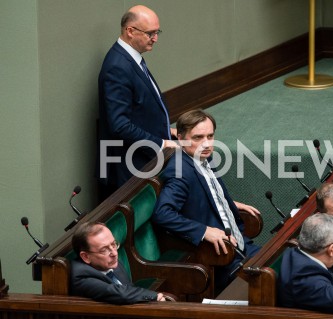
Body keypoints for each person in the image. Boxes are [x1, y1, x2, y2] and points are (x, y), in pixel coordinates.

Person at [151, 109, 261, 292]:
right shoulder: (180, 172)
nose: (206, 144)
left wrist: (229, 203)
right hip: (223, 262)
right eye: (198, 138)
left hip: (242, 247)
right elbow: (162, 213)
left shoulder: (203, 157)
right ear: (180, 138)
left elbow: (205, 192)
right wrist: (204, 231)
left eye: (210, 136)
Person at [96, 5, 178, 197]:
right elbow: (120, 125)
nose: (155, 38)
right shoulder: (117, 66)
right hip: (131, 169)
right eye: (150, 33)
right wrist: (162, 143)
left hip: (143, 160)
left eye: (157, 32)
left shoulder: (131, 58)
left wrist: (168, 131)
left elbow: (140, 109)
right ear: (130, 31)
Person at [70, 221, 165, 304]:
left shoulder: (109, 261)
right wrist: (155, 297)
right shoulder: (80, 275)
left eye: (113, 244)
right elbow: (120, 294)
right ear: (86, 256)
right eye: (104, 250)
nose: (114, 253)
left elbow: (129, 289)